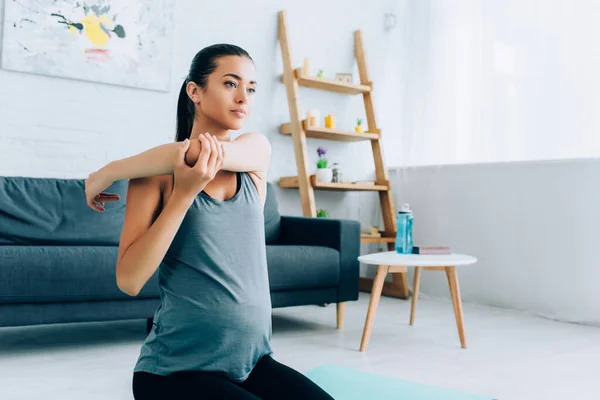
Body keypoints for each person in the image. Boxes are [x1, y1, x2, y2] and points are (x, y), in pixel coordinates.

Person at [84, 44, 334, 400]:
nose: (243, 98)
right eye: (230, 83)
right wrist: (184, 195)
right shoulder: (152, 179)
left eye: (250, 88)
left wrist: (107, 171)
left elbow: (200, 153)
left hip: (251, 365)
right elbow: (129, 281)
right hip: (173, 371)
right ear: (195, 91)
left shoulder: (255, 155)